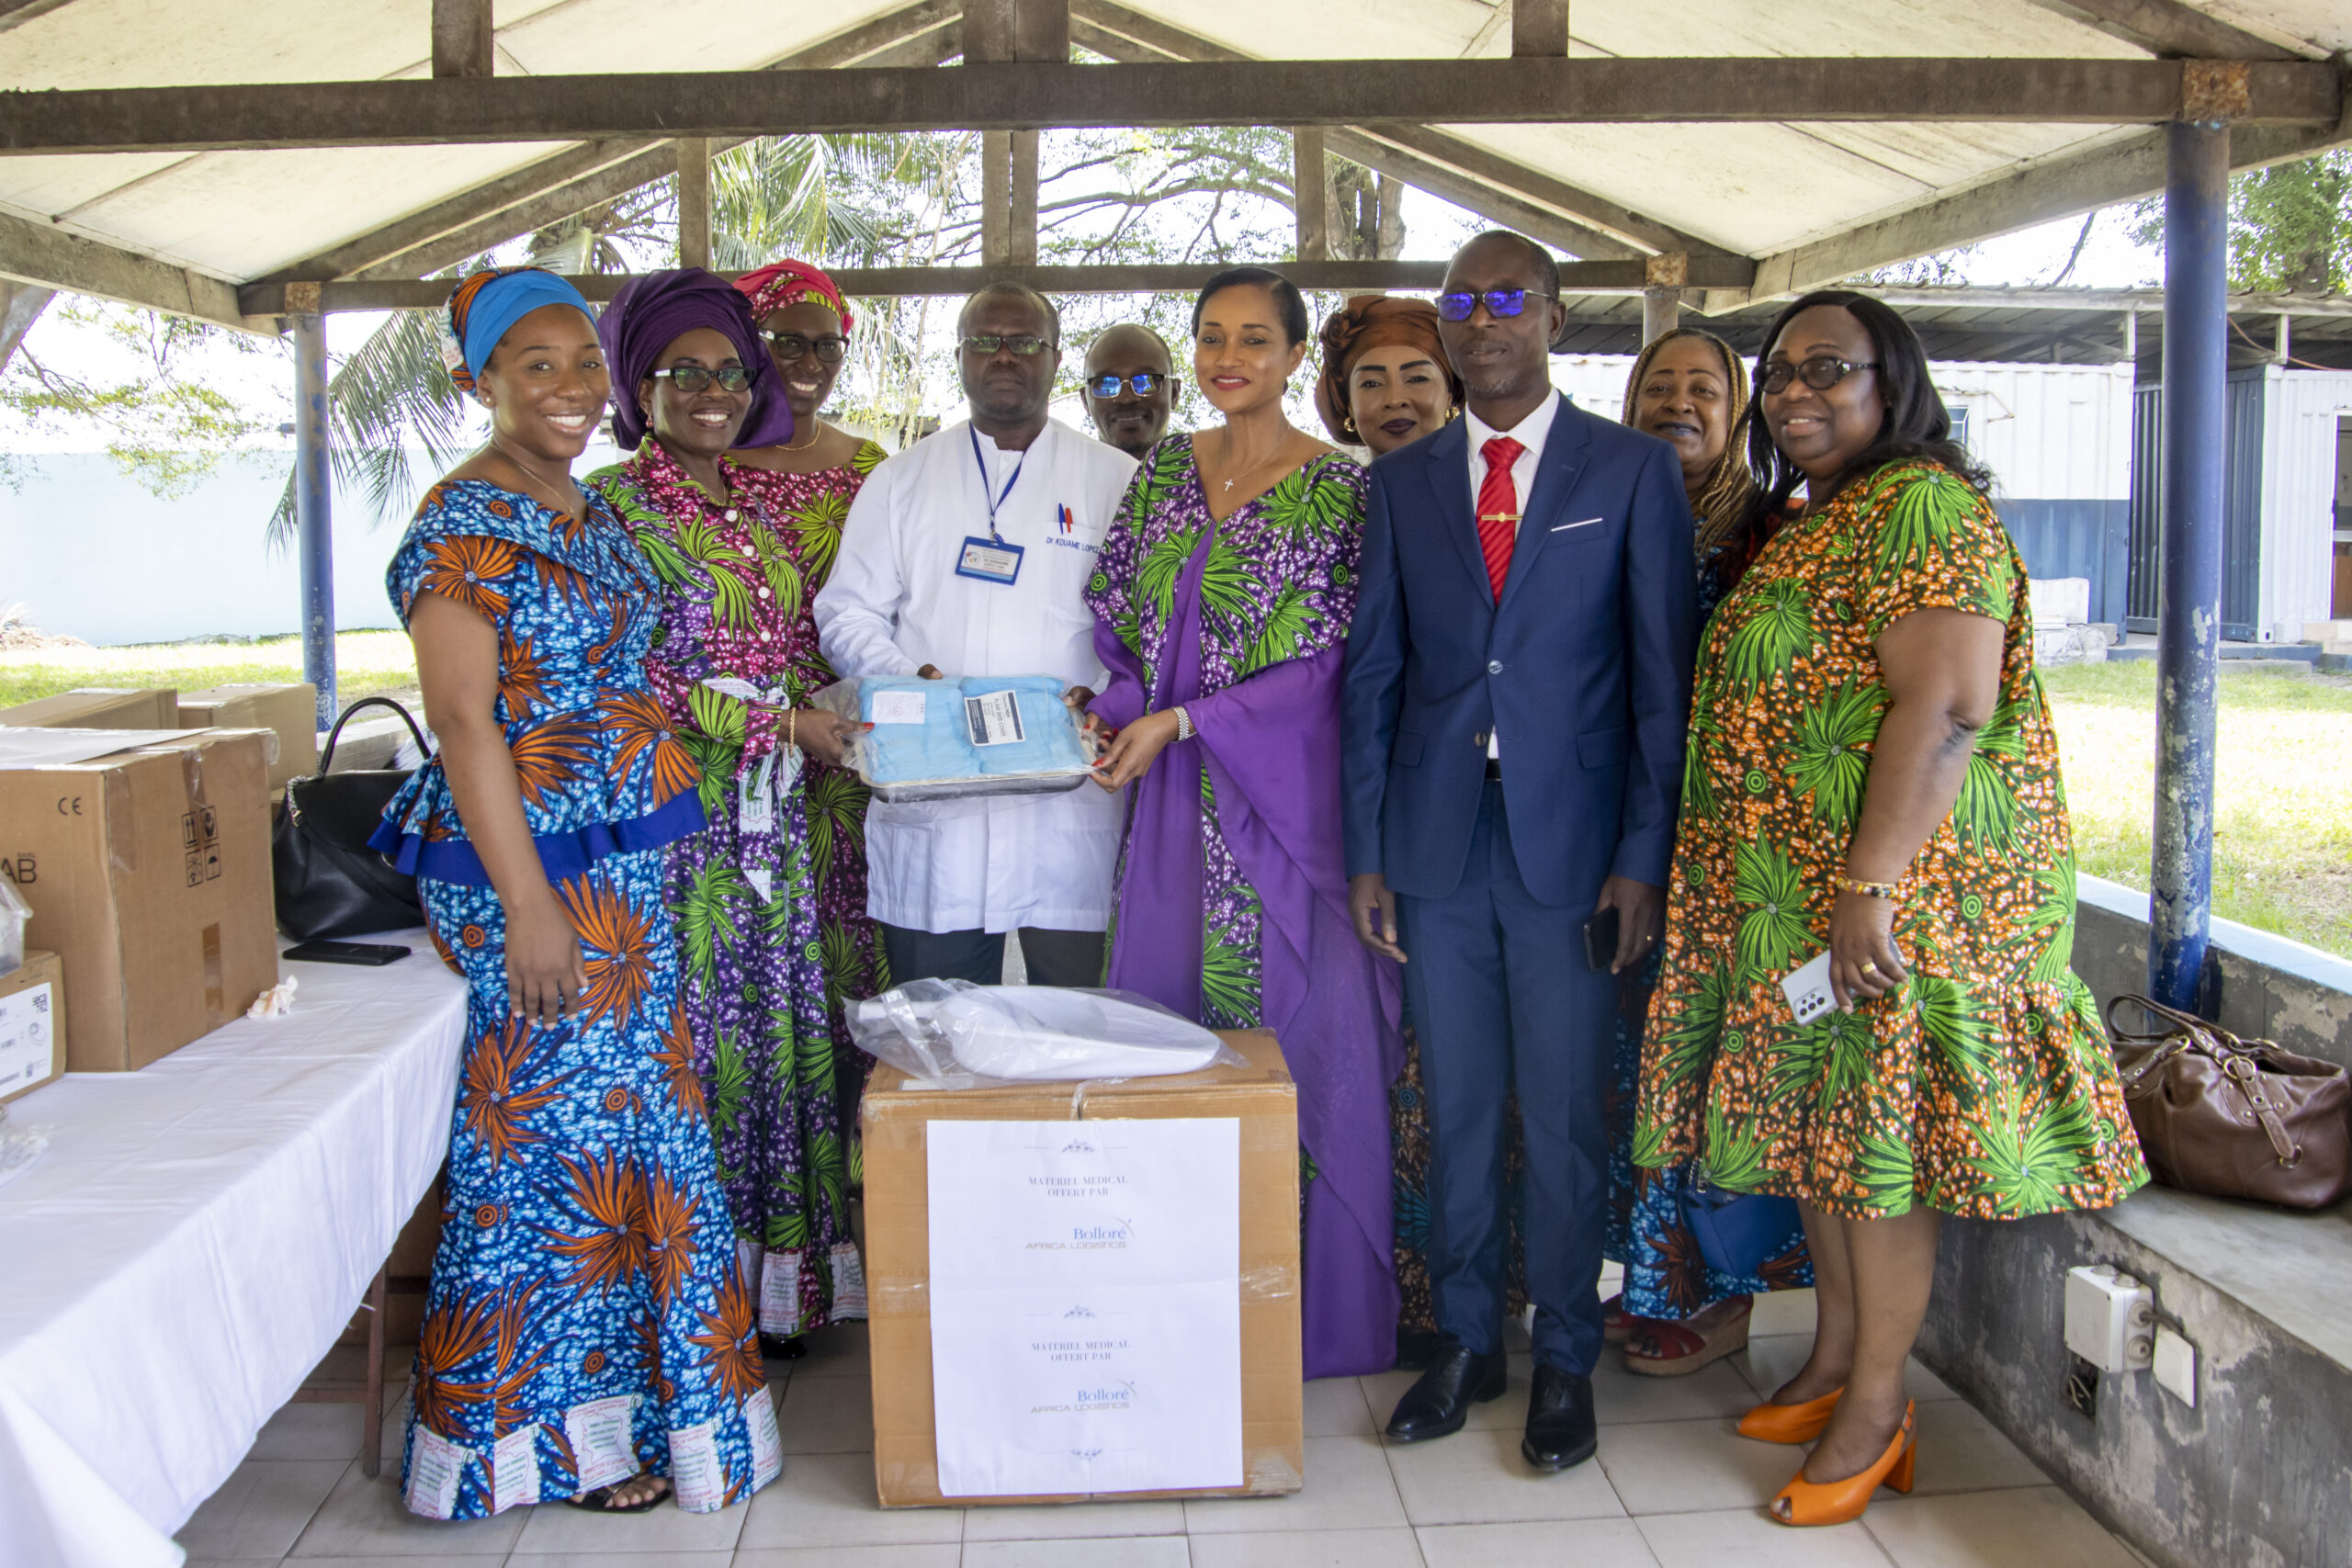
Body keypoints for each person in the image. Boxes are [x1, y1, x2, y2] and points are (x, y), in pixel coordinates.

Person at [1634, 290, 2146, 1527]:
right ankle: (1830, 1364)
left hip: (1897, 900)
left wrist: (1870, 887)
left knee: (1873, 1156)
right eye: (1781, 373)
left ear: (1892, 381)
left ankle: (1878, 1405)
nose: (1795, 393)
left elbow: (1949, 707)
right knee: (1824, 1131)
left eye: (1829, 370)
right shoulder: (1824, 515)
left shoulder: (1923, 505)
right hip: (1805, 905)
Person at [370, 267, 778, 1519]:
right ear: (476, 380)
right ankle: (539, 1441)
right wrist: (534, 903)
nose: (564, 386)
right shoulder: (463, 525)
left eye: (578, 363)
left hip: (628, 861)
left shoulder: (586, 509)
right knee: (547, 1149)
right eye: (532, 364)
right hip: (535, 868)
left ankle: (643, 1414)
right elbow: (461, 721)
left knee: (637, 1132)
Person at [1342, 231, 1699, 1473]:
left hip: (1573, 846)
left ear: (1553, 314)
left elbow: (1664, 684)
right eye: (1464, 298)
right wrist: (1370, 846)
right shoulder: (1402, 481)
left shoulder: (1633, 468)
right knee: (1458, 1099)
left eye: (1508, 298)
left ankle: (1561, 1352)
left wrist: (1642, 856)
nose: (1483, 318)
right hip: (1439, 842)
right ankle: (1464, 1338)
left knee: (1561, 1109)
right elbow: (1375, 676)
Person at [1082, 266, 1403, 1379]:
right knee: (1173, 1046)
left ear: (1292, 358)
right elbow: (1124, 625)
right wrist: (1117, 715)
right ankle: (1177, 1313)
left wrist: (1182, 718)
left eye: (1255, 339)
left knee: (1292, 1041)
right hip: (1171, 809)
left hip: (1282, 811)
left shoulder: (1341, 491)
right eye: (1212, 337)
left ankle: (1307, 1316)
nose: (1229, 357)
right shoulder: (1166, 473)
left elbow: (1332, 665)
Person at [582, 266, 867, 1362]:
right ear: (636, 385)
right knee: (706, 1042)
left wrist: (862, 711)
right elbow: (632, 672)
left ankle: (775, 1293)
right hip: (680, 824)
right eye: (682, 372)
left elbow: (796, 655)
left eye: (730, 372)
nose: (713, 391)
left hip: (778, 825)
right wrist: (781, 729)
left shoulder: (746, 507)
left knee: (777, 1034)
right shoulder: (614, 509)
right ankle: (697, 1296)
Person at [814, 282, 1135, 987]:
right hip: (935, 797)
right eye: (984, 341)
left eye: (1025, 341)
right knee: (943, 1035)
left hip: (1071, 796)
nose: (1004, 356)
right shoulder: (901, 480)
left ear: (1055, 358)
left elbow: (1147, 626)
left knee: (1078, 1027)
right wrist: (910, 682)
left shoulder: (1116, 481)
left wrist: (1109, 698)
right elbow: (847, 611)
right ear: (958, 357)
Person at [1602, 327, 1812, 1377]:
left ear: (1739, 412)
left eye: (1703, 388)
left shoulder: (1776, 533)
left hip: (1741, 855)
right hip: (1625, 840)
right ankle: (1651, 1279)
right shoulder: (1600, 509)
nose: (1677, 402)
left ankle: (1723, 1299)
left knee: (1726, 1074)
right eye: (1657, 385)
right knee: (1644, 1068)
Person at [726, 257, 893, 1320]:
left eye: (823, 342)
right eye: (782, 341)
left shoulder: (876, 467)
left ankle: (842, 1259)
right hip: (731, 776)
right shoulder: (695, 461)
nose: (805, 362)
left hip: (851, 789)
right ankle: (749, 1265)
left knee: (846, 1007)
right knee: (749, 1014)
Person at [1314, 292, 1472, 1370]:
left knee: (1455, 1068)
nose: (1395, 399)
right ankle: (1392, 1294)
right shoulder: (1328, 499)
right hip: (1340, 815)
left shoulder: (1481, 496)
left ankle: (1458, 1304)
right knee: (1379, 1051)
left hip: (1461, 822)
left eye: (1416, 375)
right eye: (1370, 381)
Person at [1314, 293, 1462, 453]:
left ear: (1449, 396)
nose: (1395, 400)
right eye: (1372, 383)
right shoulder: (1326, 477)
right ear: (1349, 406)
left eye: (1417, 379)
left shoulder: (1486, 476)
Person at [1083, 321, 1177, 460]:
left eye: (1145, 382)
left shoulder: (1212, 477)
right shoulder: (1062, 479)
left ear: (1174, 393)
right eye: (1107, 385)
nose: (1126, 398)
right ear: (1085, 401)